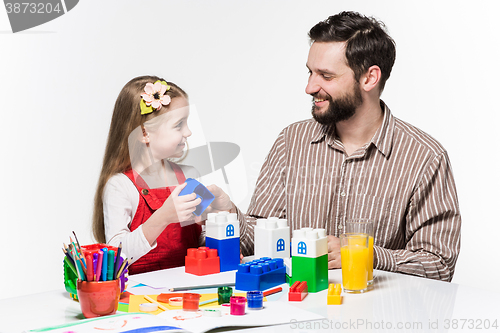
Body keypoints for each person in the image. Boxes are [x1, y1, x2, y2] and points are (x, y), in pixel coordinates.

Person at [226, 11, 461, 282]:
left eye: (326, 76)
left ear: (369, 78)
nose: (309, 87)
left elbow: (439, 265)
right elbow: (261, 238)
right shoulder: (291, 141)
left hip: (374, 316)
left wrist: (364, 254)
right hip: (295, 312)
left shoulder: (425, 157)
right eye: (310, 72)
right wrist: (228, 215)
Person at [92, 75, 229, 274]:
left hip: (189, 288)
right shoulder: (120, 186)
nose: (188, 132)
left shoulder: (189, 175)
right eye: (179, 125)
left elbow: (199, 238)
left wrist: (217, 238)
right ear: (145, 133)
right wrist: (162, 217)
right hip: (143, 296)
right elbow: (115, 257)